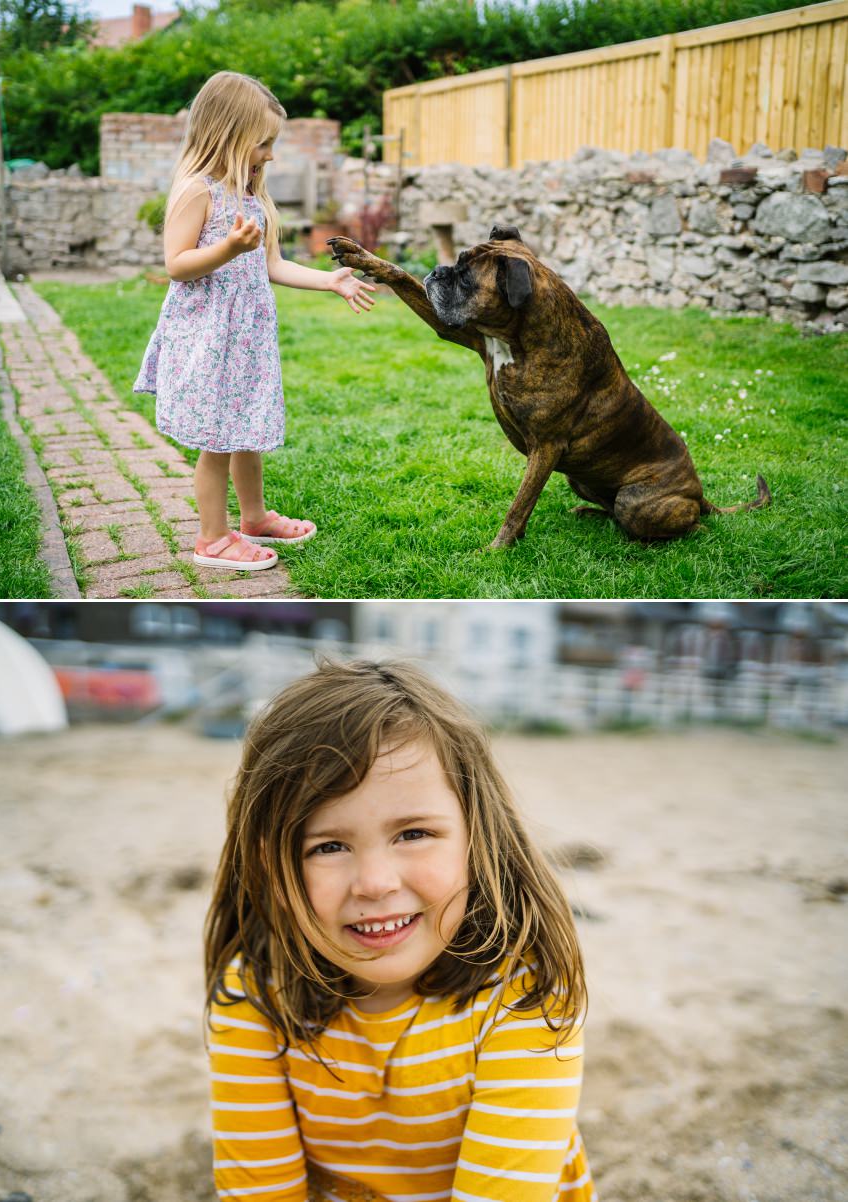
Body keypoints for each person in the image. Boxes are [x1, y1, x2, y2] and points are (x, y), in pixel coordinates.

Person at [204, 659, 596, 1201]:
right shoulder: (253, 992)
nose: (375, 883)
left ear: (477, 838)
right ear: (272, 863)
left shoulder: (523, 996)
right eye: (329, 846)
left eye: (413, 833)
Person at [134, 72, 375, 572]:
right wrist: (225, 248)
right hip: (208, 336)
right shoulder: (196, 191)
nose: (270, 154)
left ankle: (255, 516)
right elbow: (176, 264)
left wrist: (330, 281)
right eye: (263, 143)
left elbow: (272, 265)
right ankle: (213, 539)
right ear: (228, 134)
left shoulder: (250, 197)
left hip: (246, 340)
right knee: (217, 440)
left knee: (246, 430)